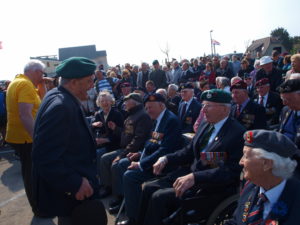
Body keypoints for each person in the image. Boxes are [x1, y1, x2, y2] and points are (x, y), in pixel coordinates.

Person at [138, 89, 246, 225]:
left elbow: (230, 171)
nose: (203, 110)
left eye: (208, 106)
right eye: (203, 105)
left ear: (224, 109)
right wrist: (166, 158)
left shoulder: (237, 133)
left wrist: (195, 177)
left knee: (159, 197)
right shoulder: (205, 124)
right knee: (148, 187)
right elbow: (188, 152)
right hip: (189, 176)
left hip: (211, 186)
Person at [32, 57, 107, 224]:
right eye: (89, 81)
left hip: (71, 195)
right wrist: (74, 183)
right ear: (73, 82)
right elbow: (44, 157)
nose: (91, 86)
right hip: (73, 195)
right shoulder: (61, 106)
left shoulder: (58, 96)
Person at [118, 93, 182, 225]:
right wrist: (139, 153)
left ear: (161, 105)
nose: (148, 111)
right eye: (146, 108)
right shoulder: (156, 119)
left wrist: (141, 164)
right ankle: (129, 203)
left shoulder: (171, 121)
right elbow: (151, 142)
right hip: (149, 158)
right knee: (122, 164)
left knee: (130, 176)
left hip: (162, 165)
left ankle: (134, 218)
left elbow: (165, 150)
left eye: (150, 107)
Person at [225, 130, 300, 225]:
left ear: (266, 164)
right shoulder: (250, 187)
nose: (241, 161)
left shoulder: (296, 200)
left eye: (246, 156)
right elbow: (236, 222)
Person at [5, 60, 47, 216]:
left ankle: (39, 205)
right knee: (32, 174)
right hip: (26, 138)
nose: (43, 76)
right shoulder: (25, 85)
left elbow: (40, 103)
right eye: (42, 73)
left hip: (19, 136)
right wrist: (37, 139)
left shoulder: (18, 82)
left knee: (31, 172)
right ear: (35, 71)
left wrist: (42, 85)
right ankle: (39, 208)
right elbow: (25, 115)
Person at [99, 93, 152, 201]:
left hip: (134, 151)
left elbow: (138, 140)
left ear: (135, 102)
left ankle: (121, 196)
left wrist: (122, 155)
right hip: (125, 148)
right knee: (104, 158)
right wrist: (116, 129)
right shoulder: (132, 115)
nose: (125, 103)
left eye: (127, 101)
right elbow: (126, 133)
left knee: (116, 164)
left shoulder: (142, 116)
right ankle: (109, 187)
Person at [92, 91, 124, 175]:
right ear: (99, 103)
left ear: (111, 101)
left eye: (107, 100)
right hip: (101, 143)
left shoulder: (117, 114)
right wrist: (93, 125)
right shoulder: (98, 114)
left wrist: (106, 140)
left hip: (114, 144)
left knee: (98, 153)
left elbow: (122, 133)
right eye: (102, 101)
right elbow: (94, 130)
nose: (105, 103)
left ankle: (102, 180)